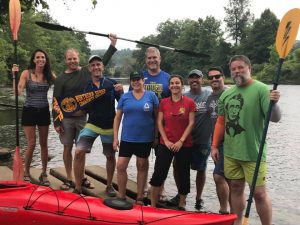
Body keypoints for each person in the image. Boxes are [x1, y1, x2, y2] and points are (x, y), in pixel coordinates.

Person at [211, 55, 281, 225]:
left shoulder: (262, 89)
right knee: (235, 188)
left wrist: (275, 103)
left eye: (240, 67)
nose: (237, 71)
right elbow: (221, 121)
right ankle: (237, 223)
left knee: (259, 193)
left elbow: (275, 118)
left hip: (254, 154)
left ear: (249, 68)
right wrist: (214, 146)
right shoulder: (227, 94)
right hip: (231, 152)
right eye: (234, 69)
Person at [52, 35, 117, 191]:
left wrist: (112, 45)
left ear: (78, 59)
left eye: (75, 58)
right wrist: (56, 121)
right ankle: (70, 178)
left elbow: (101, 63)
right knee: (68, 148)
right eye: (69, 59)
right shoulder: (60, 79)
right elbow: (55, 101)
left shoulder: (86, 73)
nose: (72, 61)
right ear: (65, 60)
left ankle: (80, 178)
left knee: (80, 150)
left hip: (83, 119)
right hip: (66, 119)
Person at [73, 54, 123, 195]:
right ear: (89, 68)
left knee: (110, 156)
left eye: (98, 64)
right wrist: (64, 113)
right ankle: (77, 187)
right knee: (78, 152)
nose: (96, 67)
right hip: (92, 124)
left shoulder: (112, 84)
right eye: (93, 65)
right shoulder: (85, 86)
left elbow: (123, 104)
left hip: (109, 126)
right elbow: (79, 106)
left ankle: (109, 186)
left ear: (103, 67)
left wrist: (122, 92)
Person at [150, 75, 196, 210]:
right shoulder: (163, 102)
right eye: (172, 83)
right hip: (166, 144)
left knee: (183, 174)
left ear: (182, 85)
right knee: (158, 173)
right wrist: (165, 140)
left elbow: (191, 123)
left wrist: (181, 141)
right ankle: (152, 206)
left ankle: (181, 204)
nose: (175, 85)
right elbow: (159, 122)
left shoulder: (189, 102)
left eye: (177, 83)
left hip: (184, 144)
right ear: (169, 86)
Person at [130, 46, 170, 202]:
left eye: (155, 57)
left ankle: (161, 187)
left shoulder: (167, 78)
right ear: (146, 60)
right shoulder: (141, 77)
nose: (152, 60)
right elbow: (131, 97)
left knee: (162, 158)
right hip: (144, 124)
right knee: (143, 157)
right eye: (149, 58)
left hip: (164, 125)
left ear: (160, 59)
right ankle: (145, 186)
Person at [113, 71, 159, 204]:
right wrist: (116, 138)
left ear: (143, 81)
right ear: (130, 82)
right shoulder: (125, 97)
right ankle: (121, 195)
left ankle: (139, 197)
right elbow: (117, 119)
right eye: (133, 80)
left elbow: (157, 118)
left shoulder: (151, 96)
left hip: (145, 139)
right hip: (127, 138)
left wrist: (156, 136)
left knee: (142, 166)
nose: (136, 82)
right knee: (121, 166)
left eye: (138, 79)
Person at [12, 49, 56, 186]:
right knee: (31, 143)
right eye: (38, 57)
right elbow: (17, 92)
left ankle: (43, 173)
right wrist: (14, 75)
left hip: (43, 111)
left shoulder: (49, 75)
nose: (40, 59)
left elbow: (62, 86)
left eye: (43, 57)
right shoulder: (26, 73)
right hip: (29, 111)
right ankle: (26, 172)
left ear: (46, 60)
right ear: (33, 60)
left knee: (44, 144)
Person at [169, 69, 211, 210]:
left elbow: (224, 91)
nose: (194, 80)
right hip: (184, 140)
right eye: (191, 78)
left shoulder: (209, 95)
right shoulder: (183, 96)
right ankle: (181, 194)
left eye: (197, 78)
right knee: (177, 166)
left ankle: (199, 198)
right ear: (187, 81)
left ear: (202, 79)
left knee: (201, 169)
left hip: (202, 140)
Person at [206, 66, 230, 214]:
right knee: (226, 178)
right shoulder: (209, 97)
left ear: (223, 77)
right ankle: (229, 212)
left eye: (217, 76)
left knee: (219, 176)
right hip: (215, 143)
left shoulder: (230, 93)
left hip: (229, 142)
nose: (214, 79)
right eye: (211, 77)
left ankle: (225, 211)